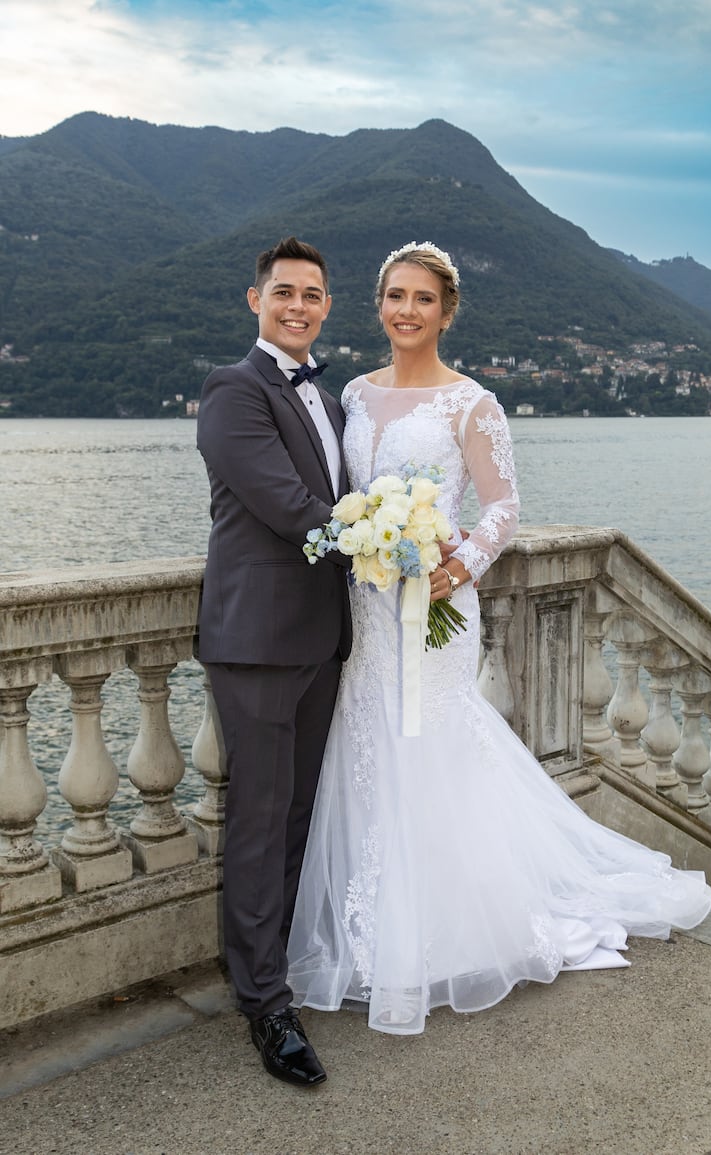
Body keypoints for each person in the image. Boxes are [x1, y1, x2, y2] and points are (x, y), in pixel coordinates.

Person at [286, 241, 711, 1036]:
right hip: (371, 609)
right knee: (373, 744)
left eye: (422, 299)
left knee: (435, 742)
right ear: (378, 304)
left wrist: (461, 567)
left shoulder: (471, 403)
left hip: (438, 604)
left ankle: (453, 926)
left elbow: (502, 509)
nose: (406, 311)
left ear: (446, 312)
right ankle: (377, 923)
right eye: (395, 297)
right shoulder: (352, 392)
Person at [196, 236, 351, 1086]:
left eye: (313, 295)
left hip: (322, 640)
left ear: (328, 306)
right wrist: (377, 542)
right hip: (255, 642)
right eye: (284, 292)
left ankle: (282, 963)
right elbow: (290, 508)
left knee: (295, 815)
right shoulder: (232, 389)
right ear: (254, 300)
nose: (298, 305)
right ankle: (263, 1002)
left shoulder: (327, 399)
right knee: (258, 822)